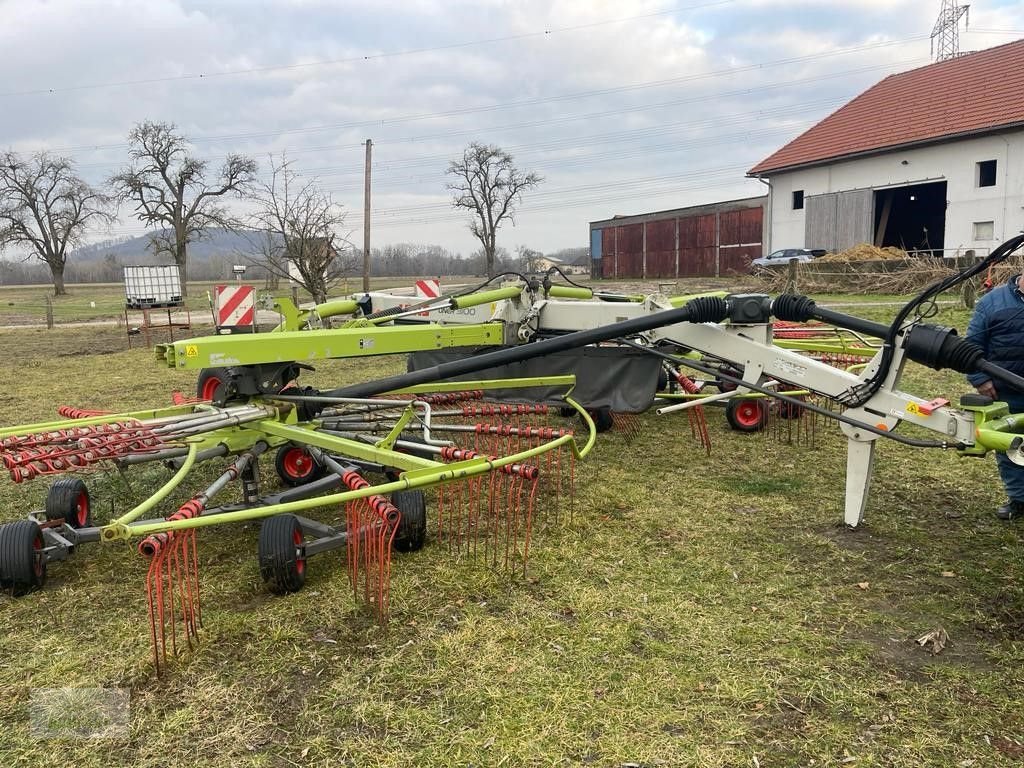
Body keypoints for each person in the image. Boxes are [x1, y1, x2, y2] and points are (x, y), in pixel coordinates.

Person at [966, 272, 1024, 519]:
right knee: (1011, 447)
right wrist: (980, 378)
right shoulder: (993, 302)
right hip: (1006, 391)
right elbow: (971, 346)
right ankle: (1019, 500)